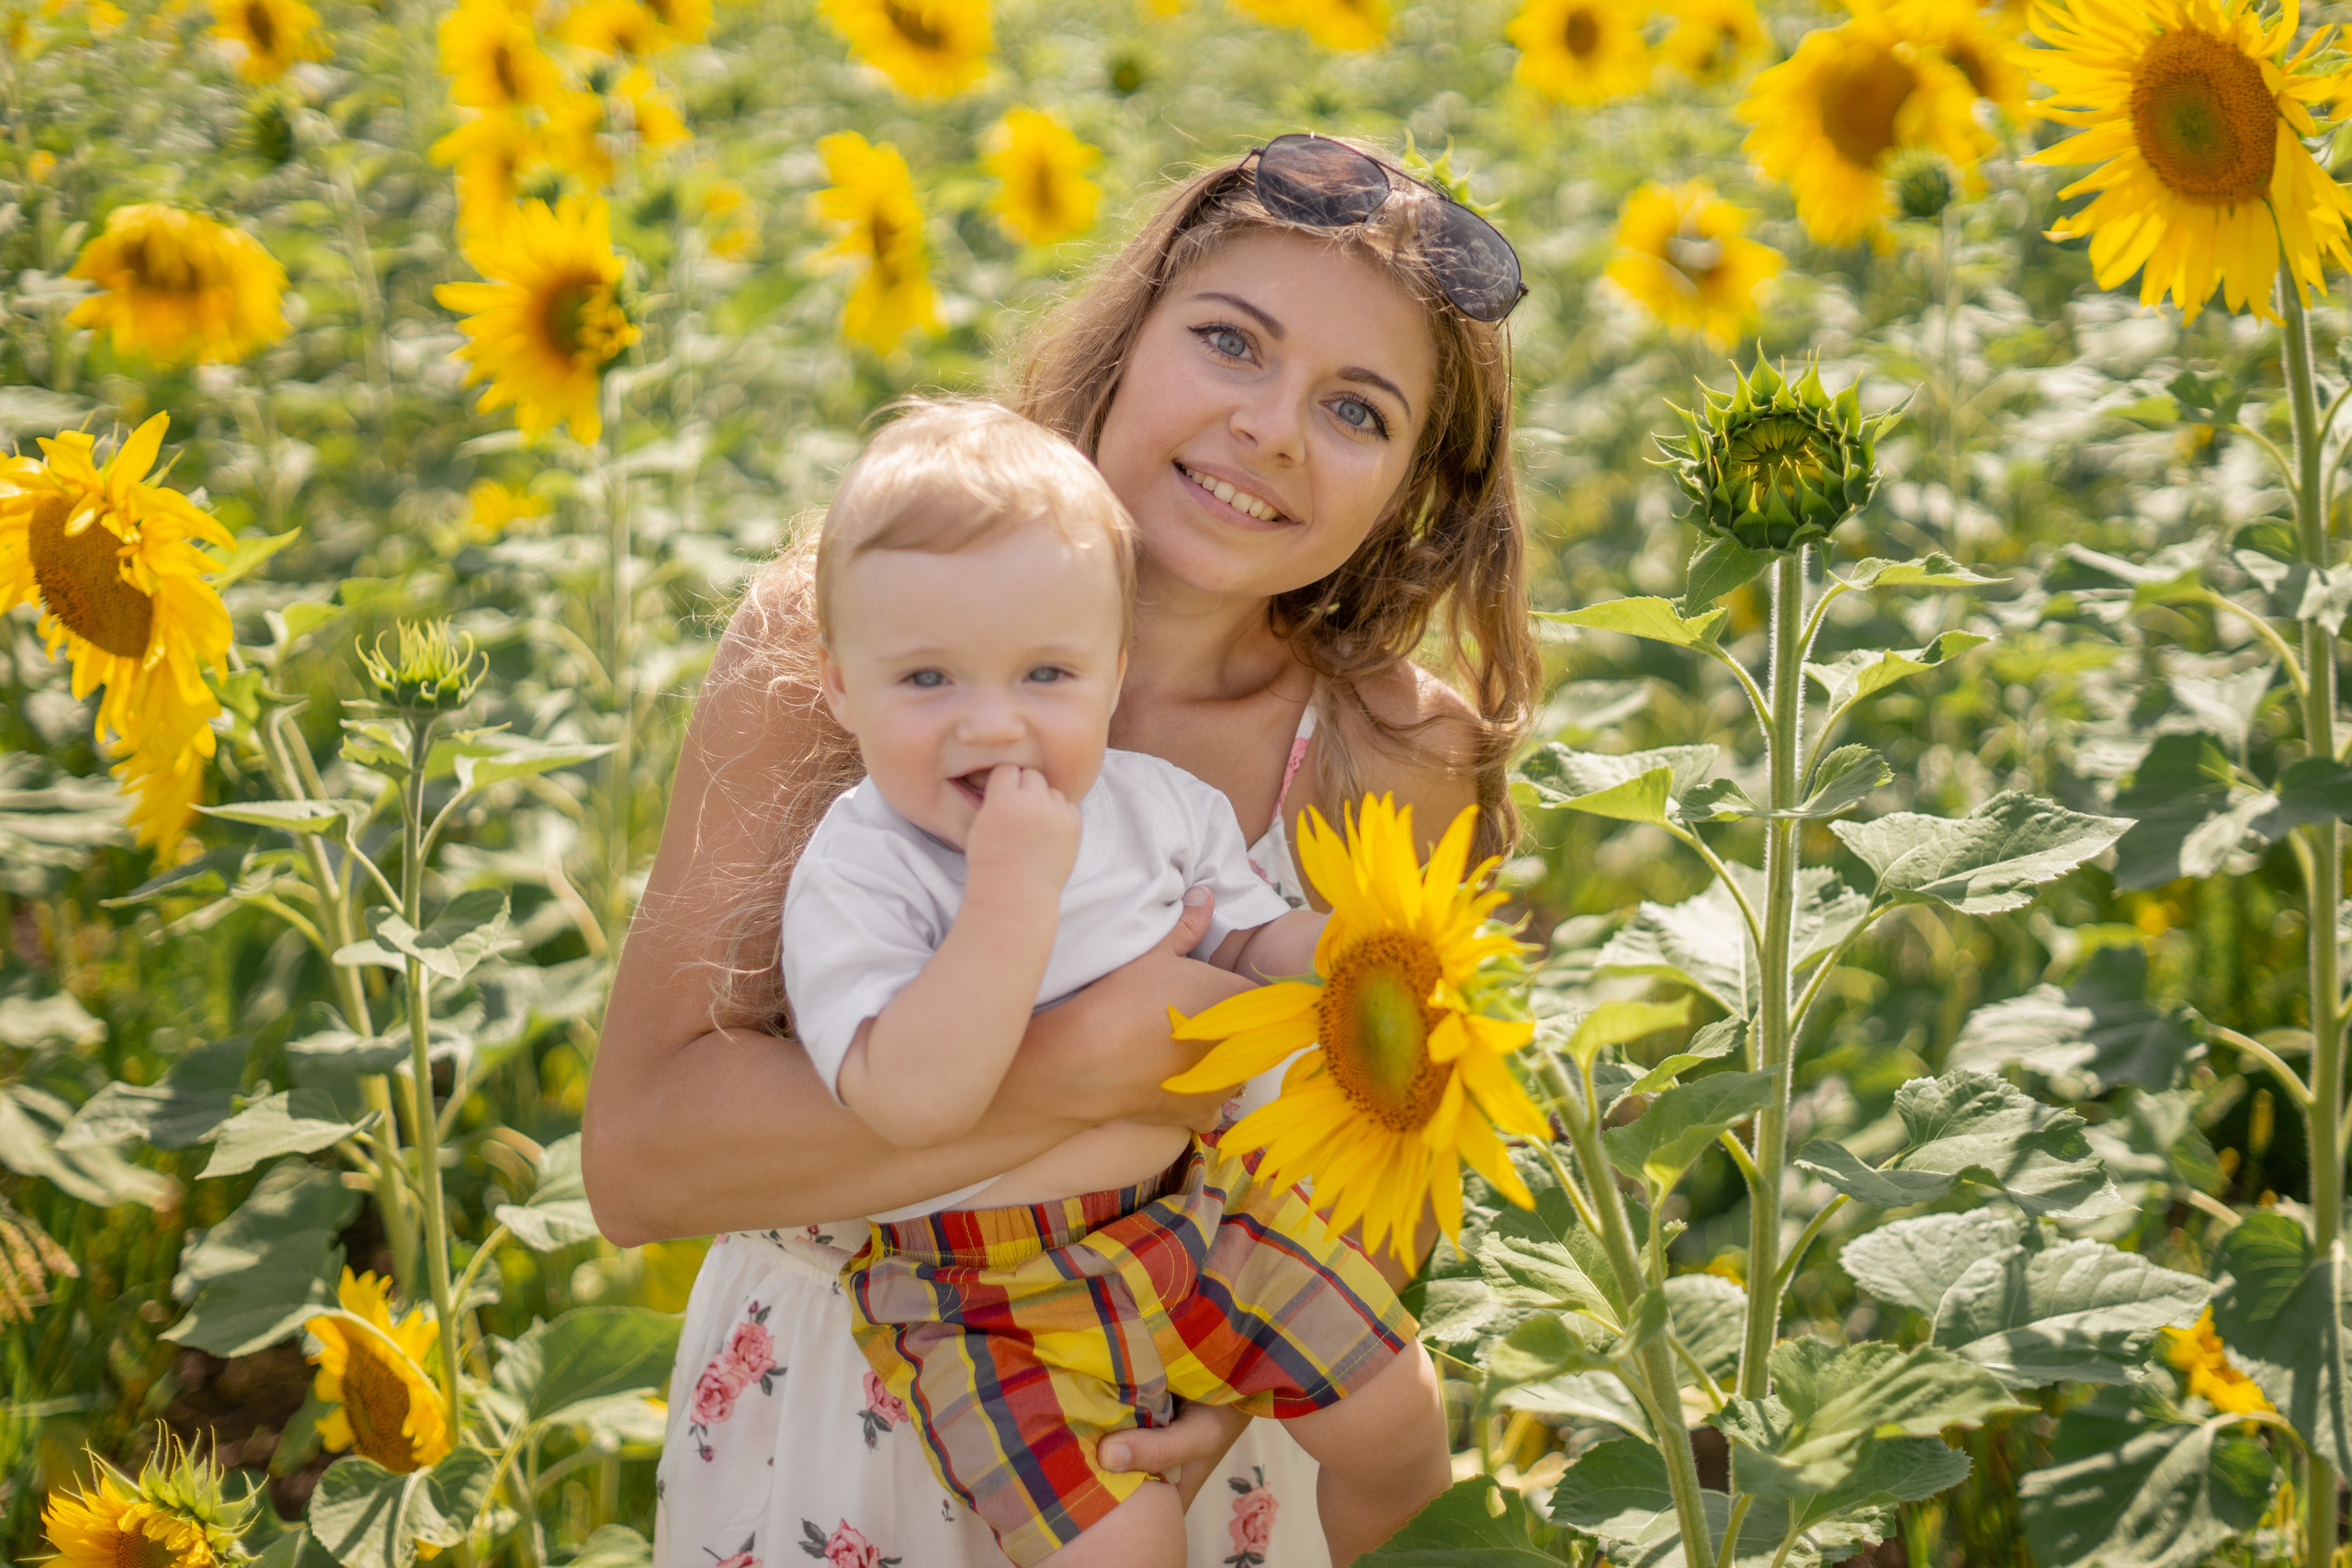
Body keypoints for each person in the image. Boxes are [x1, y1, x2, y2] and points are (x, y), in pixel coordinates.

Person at [584, 132, 1542, 1566]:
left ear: (1415, 486)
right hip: (848, 1401)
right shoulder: (846, 643)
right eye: (1231, 341)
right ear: (1128, 333)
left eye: (1357, 409)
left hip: (1187, 1407)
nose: (1273, 427)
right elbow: (644, 1160)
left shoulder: (1392, 748)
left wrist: (1228, 1383)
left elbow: (1376, 1169)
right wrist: (1086, 1062)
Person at [785, 397, 1446, 1566]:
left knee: (1400, 1423)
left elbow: (1250, 951)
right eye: (928, 679)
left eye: (1046, 673)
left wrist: (1355, 962)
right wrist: (1008, 900)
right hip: (981, 1296)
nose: (992, 726)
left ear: (1112, 674)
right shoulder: (862, 867)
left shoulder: (1155, 810)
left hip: (1197, 1216)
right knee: (1127, 1547)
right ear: (840, 687)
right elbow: (908, 1100)